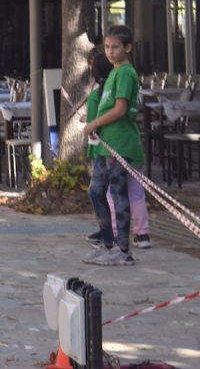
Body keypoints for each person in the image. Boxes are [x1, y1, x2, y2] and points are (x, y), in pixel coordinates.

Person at [82, 24, 143, 267]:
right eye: (107, 47)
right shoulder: (113, 74)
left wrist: (94, 122)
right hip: (104, 144)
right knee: (96, 191)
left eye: (115, 47)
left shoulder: (127, 73)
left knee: (118, 194)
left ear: (127, 48)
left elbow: (120, 109)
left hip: (120, 144)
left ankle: (123, 249)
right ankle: (107, 244)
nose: (110, 51)